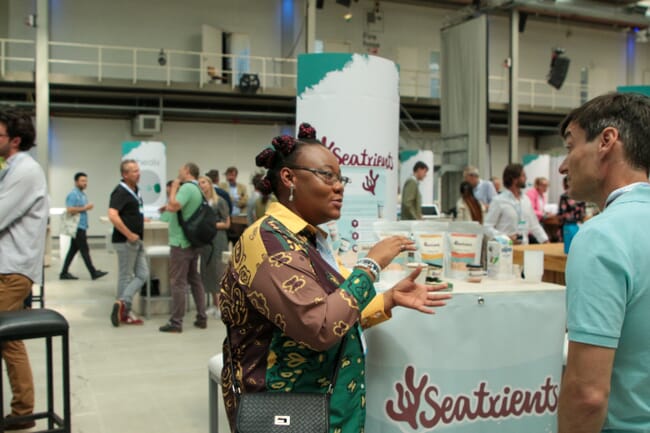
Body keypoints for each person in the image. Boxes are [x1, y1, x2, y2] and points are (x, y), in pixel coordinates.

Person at [219, 133, 451, 433]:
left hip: (323, 406)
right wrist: (370, 266)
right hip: (282, 412)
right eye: (326, 175)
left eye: (341, 178)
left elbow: (336, 310)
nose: (339, 186)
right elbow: (320, 326)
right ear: (289, 178)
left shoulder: (306, 239)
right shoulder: (268, 244)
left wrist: (388, 299)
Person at [557, 92, 650, 433]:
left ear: (607, 141)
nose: (563, 166)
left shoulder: (603, 237)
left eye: (570, 146)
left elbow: (588, 395)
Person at [0, 109, 47, 430]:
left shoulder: (26, 170)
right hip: (8, 265)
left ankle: (23, 411)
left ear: (15, 140)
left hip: (13, 268)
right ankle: (22, 410)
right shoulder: (12, 168)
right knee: (8, 339)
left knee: (7, 339)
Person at [158, 162, 208, 333]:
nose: (178, 171)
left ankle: (176, 322)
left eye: (180, 169)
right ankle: (202, 317)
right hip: (192, 241)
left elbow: (174, 206)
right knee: (195, 279)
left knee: (178, 282)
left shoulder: (186, 188)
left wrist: (173, 188)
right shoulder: (198, 189)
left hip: (181, 242)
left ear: (187, 171)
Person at [108, 159, 148, 327]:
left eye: (138, 170)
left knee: (142, 274)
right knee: (125, 276)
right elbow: (113, 215)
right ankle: (124, 313)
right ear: (125, 174)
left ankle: (122, 302)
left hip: (137, 240)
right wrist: (129, 233)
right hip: (125, 241)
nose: (137, 174)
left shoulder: (135, 190)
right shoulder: (120, 192)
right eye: (133, 171)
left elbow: (130, 212)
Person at [59, 172, 108, 280]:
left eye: (86, 181)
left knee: (72, 250)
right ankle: (93, 272)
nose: (85, 183)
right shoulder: (73, 194)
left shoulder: (82, 194)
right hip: (77, 227)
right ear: (76, 182)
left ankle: (64, 272)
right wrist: (85, 208)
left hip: (82, 226)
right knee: (85, 250)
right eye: (82, 181)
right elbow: (70, 209)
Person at [484, 163, 548, 244]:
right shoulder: (498, 201)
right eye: (523, 175)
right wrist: (505, 238)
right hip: (505, 250)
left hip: (524, 249)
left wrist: (545, 240)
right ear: (514, 179)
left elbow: (534, 225)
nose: (526, 178)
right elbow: (487, 227)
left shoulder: (526, 200)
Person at [197, 175, 230, 318]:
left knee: (218, 271)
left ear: (210, 184)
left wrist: (210, 225)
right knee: (207, 270)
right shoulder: (201, 203)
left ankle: (222, 305)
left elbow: (227, 223)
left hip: (218, 238)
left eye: (204, 182)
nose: (201, 185)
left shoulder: (220, 202)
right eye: (199, 183)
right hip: (205, 240)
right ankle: (214, 304)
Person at [219, 166, 249, 245]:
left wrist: (236, 201)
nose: (231, 177)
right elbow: (223, 199)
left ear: (236, 176)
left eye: (233, 175)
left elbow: (245, 200)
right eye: (229, 175)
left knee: (237, 243)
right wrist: (236, 198)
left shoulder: (242, 187)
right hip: (226, 217)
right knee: (225, 243)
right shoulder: (222, 186)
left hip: (238, 218)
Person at [557, 175, 586, 252]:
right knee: (578, 249)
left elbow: (561, 214)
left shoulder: (564, 196)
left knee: (567, 250)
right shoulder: (581, 195)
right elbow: (583, 213)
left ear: (565, 184)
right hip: (580, 226)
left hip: (567, 225)